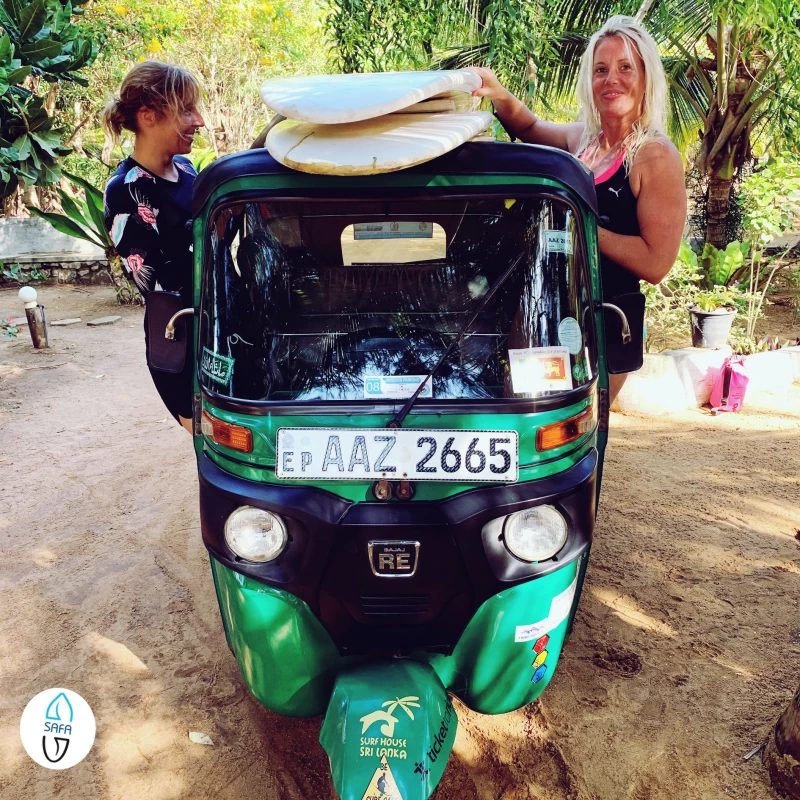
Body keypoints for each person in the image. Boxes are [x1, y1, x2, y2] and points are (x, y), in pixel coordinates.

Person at [472, 15, 687, 402]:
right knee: (530, 416)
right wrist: (498, 94)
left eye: (625, 68)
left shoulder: (654, 155)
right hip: (548, 310)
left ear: (646, 78)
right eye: (600, 70)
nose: (611, 79)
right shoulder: (585, 139)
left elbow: (657, 263)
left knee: (580, 431)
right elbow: (532, 128)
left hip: (604, 321)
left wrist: (580, 224)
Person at [101, 61, 206, 431]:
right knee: (212, 450)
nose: (200, 121)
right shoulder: (125, 190)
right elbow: (156, 284)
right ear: (148, 116)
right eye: (187, 110)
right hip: (180, 340)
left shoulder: (188, 172)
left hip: (218, 327)